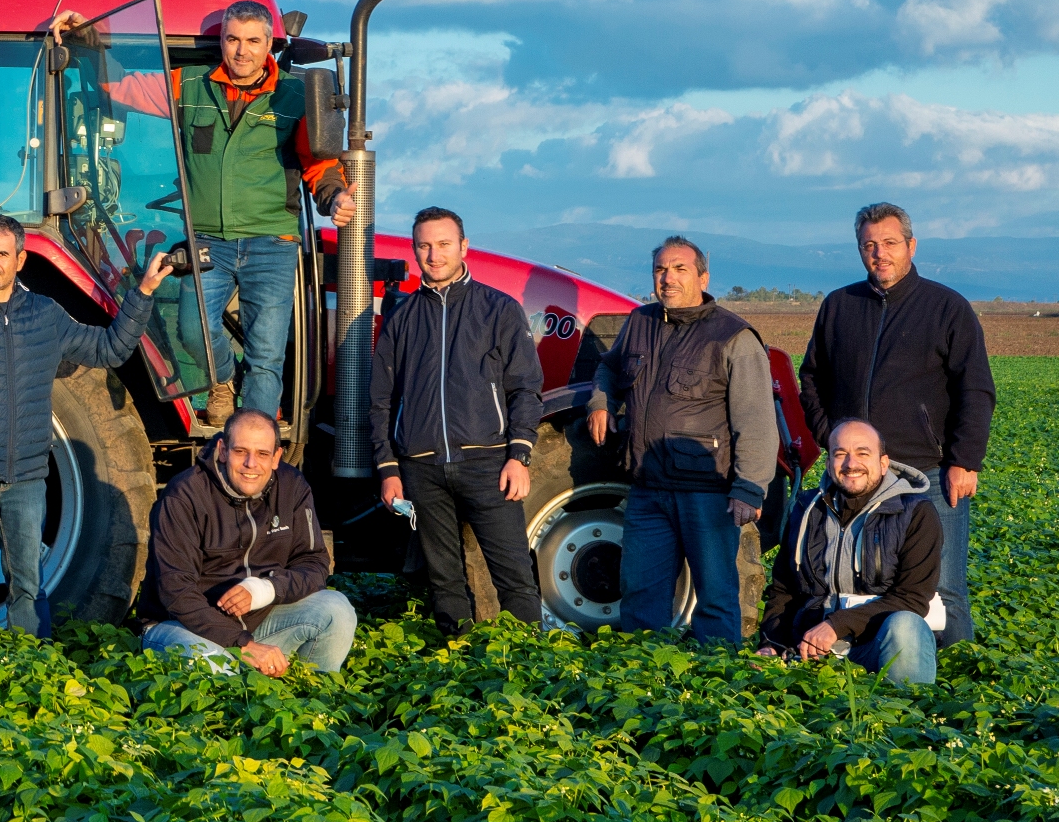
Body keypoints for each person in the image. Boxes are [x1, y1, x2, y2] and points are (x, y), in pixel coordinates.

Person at [57, 0, 352, 424]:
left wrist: (335, 197)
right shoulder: (189, 84)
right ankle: (222, 379)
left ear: (269, 43)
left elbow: (319, 163)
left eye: (253, 41)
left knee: (266, 355)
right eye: (233, 39)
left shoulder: (294, 96)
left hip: (272, 240)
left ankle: (257, 447)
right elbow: (120, 85)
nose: (242, 51)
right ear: (222, 41)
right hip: (208, 239)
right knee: (193, 331)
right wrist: (88, 37)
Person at [0, 213, 170, 634]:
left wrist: (144, 293)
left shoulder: (45, 314)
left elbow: (109, 349)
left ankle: (30, 665)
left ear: (21, 260)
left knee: (28, 586)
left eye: (1, 255)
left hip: (26, 478)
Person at [796, 202, 995, 647]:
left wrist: (964, 460)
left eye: (889, 243)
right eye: (869, 245)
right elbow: (811, 379)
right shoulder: (839, 306)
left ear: (911, 246)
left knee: (943, 590)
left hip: (927, 475)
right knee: (855, 583)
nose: (879, 253)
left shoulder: (947, 308)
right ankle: (878, 673)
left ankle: (956, 683)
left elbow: (976, 389)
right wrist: (831, 438)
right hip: (857, 476)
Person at [587, 237, 777, 644]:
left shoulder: (732, 336)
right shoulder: (640, 322)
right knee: (640, 594)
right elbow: (607, 368)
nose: (667, 278)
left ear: (703, 277)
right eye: (660, 269)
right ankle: (642, 676)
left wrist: (750, 487)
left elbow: (756, 421)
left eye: (679, 269)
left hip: (706, 494)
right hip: (648, 490)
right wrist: (601, 402)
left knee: (716, 596)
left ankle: (717, 680)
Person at [369, 207, 544, 631]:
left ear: (464, 247)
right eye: (425, 245)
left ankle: (529, 667)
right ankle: (458, 662)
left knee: (515, 578)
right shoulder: (402, 319)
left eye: (444, 244)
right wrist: (388, 468)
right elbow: (379, 400)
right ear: (414, 251)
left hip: (488, 464)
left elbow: (526, 387)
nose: (434, 254)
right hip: (421, 467)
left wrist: (519, 455)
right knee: (443, 581)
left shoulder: (499, 309)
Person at [140, 409, 356, 675]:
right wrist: (243, 645)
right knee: (215, 665)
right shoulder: (184, 495)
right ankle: (244, 687)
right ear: (222, 450)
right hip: (183, 627)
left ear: (277, 457)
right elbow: (176, 591)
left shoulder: (292, 487)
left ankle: (311, 698)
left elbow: (313, 563)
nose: (251, 464)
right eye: (241, 451)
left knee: (337, 611)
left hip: (257, 622)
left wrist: (265, 589)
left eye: (263, 454)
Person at [757, 418, 944, 686]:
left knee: (905, 625)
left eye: (862, 453)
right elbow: (784, 588)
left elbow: (912, 597)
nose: (850, 464)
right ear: (829, 462)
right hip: (812, 650)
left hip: (877, 645)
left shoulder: (915, 512)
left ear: (883, 463)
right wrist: (772, 643)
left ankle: (907, 712)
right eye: (840, 453)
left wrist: (836, 625)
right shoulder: (806, 509)